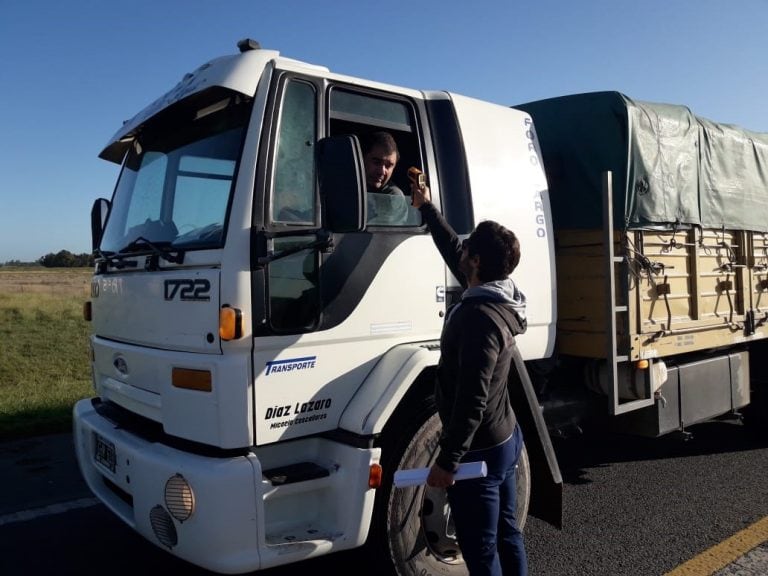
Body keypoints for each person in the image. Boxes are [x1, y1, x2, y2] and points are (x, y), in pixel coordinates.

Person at [410, 174, 529, 576]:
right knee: (507, 534)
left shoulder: (480, 318)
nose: (463, 253)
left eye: (470, 251)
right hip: (505, 437)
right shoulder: (497, 293)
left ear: (476, 263)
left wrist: (448, 461)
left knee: (481, 550)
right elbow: (454, 248)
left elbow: (472, 398)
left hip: (479, 451)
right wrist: (426, 207)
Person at [361, 131, 404, 196]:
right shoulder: (343, 183)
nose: (381, 171)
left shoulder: (393, 197)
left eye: (388, 166)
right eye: (376, 162)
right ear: (362, 159)